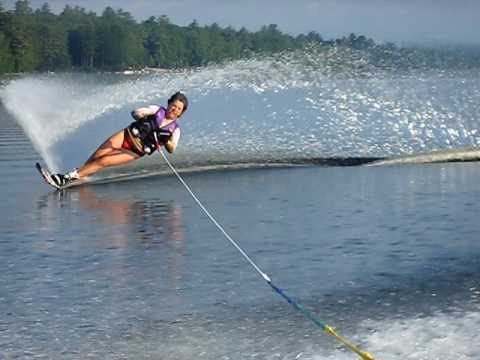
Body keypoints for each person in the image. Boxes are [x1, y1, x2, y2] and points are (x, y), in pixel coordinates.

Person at [50, 92, 188, 188]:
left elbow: (172, 148)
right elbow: (135, 112)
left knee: (104, 161)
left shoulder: (175, 130)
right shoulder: (156, 109)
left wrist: (167, 142)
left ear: (181, 113)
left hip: (137, 150)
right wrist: (141, 117)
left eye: (178, 109)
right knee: (98, 155)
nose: (174, 110)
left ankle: (66, 178)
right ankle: (80, 175)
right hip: (127, 135)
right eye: (173, 106)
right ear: (169, 103)